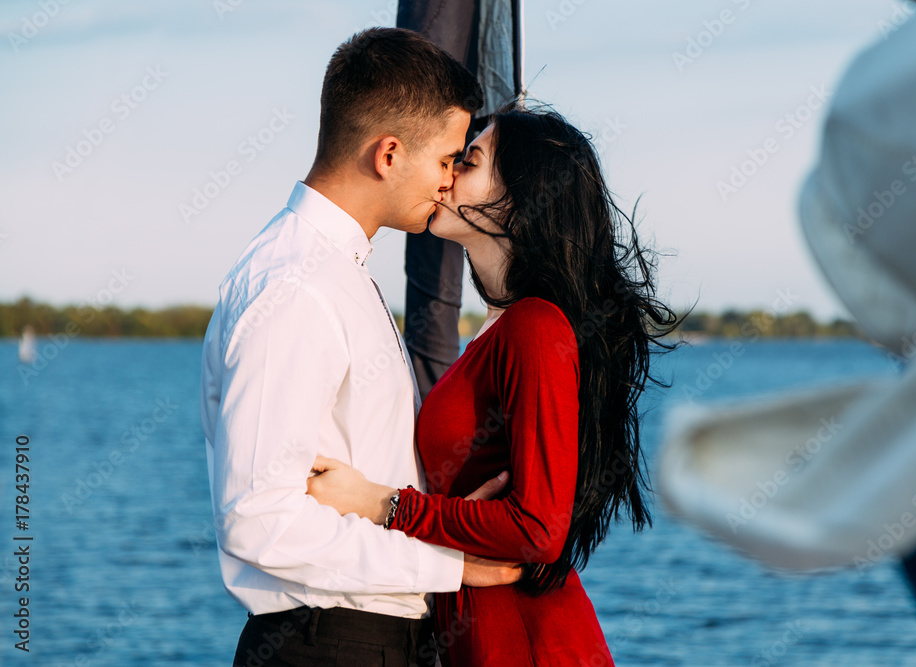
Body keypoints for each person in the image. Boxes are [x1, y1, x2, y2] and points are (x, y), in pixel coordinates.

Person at [306, 101, 685, 666]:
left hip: (528, 639)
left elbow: (538, 528)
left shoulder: (535, 327)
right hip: (481, 632)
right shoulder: (498, 330)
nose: (448, 172)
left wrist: (380, 503)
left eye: (471, 160)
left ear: (517, 200)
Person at [199, 28, 520, 667]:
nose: (451, 181)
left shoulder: (330, 272)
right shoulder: (296, 286)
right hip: (328, 645)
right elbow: (257, 517)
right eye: (448, 159)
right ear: (389, 153)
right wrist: (450, 561)